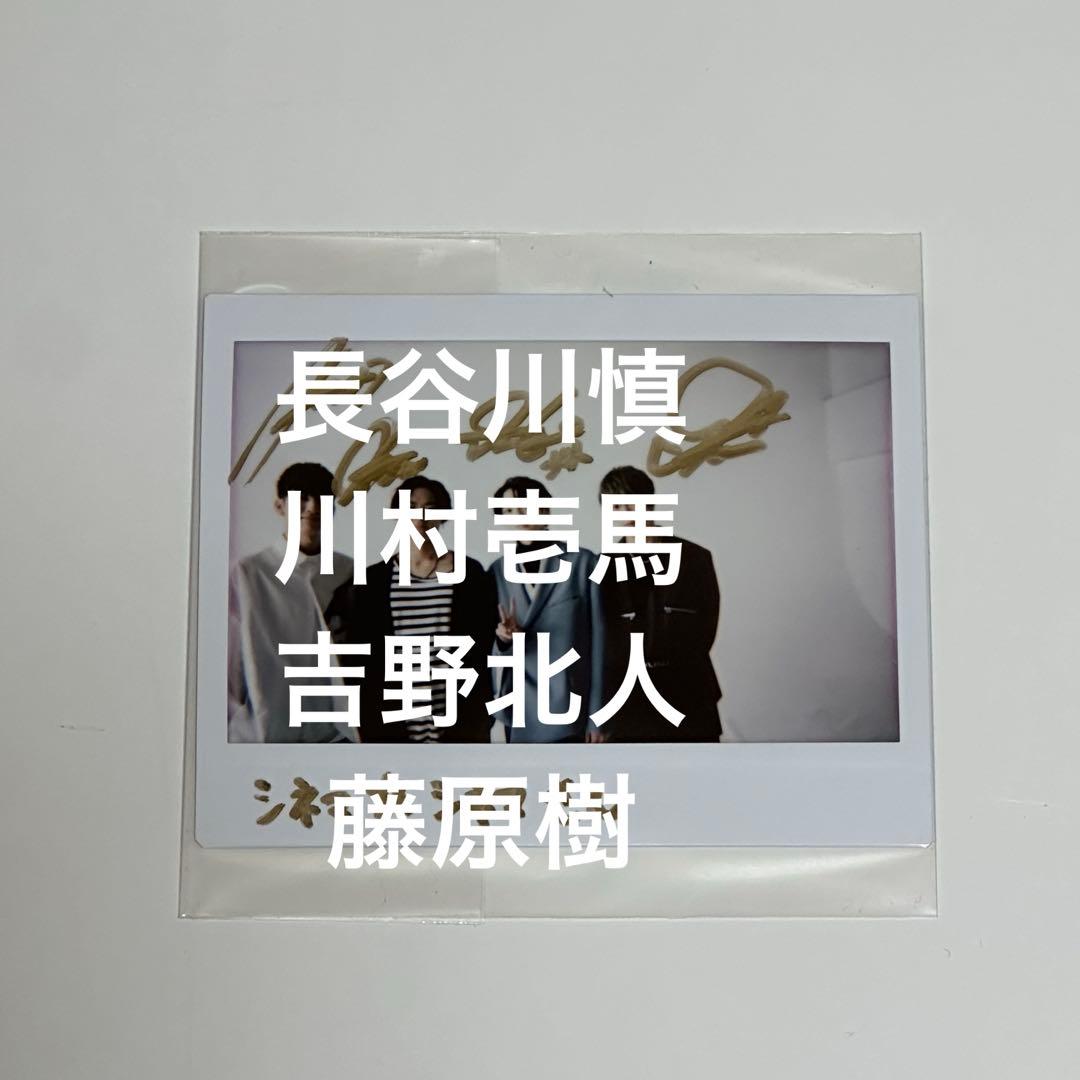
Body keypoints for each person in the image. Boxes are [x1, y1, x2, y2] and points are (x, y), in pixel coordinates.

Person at [327, 476, 497, 743]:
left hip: (460, 722)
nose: (420, 515)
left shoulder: (470, 573)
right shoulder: (372, 582)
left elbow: (484, 648)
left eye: (430, 507)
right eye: (411, 506)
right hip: (391, 726)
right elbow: (359, 658)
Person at [228, 462, 355, 743]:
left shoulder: (350, 572)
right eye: (302, 498)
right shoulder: (248, 574)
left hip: (337, 738)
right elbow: (227, 668)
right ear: (280, 506)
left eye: (322, 498)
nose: (313, 507)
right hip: (263, 739)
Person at [597, 465, 722, 742]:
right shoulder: (604, 567)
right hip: (628, 701)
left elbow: (706, 628)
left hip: (688, 693)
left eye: (630, 503)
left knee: (700, 769)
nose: (625, 514)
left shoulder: (694, 558)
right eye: (615, 507)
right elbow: (602, 638)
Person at [487, 475, 606, 743]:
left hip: (570, 707)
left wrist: (597, 716)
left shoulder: (582, 563)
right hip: (520, 707)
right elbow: (491, 648)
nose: (520, 515)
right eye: (510, 510)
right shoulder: (497, 572)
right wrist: (504, 639)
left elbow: (600, 643)